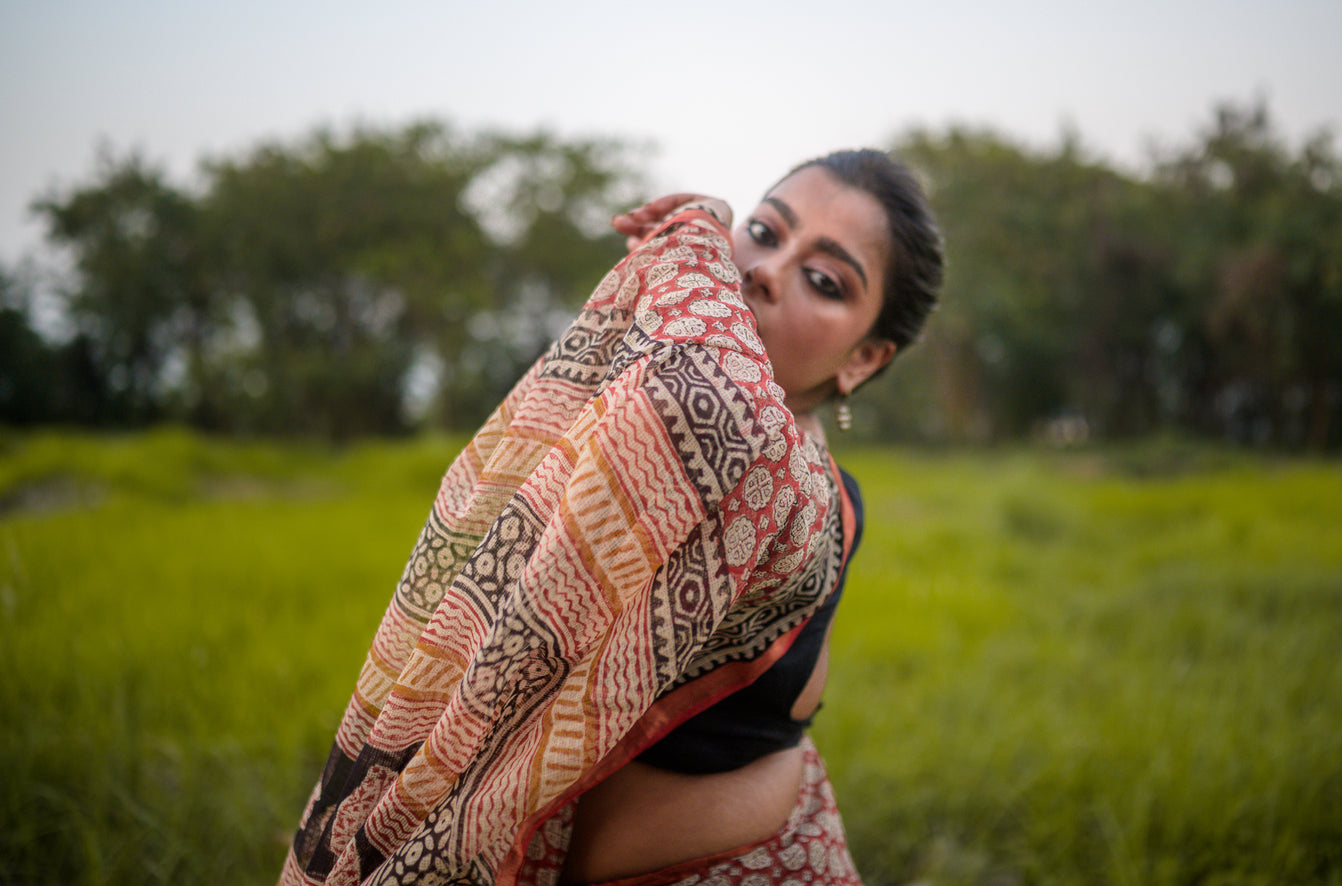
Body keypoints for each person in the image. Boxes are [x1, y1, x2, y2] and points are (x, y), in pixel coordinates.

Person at [278, 149, 943, 886]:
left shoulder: (797, 489)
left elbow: (714, 390)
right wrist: (693, 245)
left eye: (823, 280)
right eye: (762, 230)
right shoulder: (652, 425)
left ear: (863, 358)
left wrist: (696, 234)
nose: (762, 270)